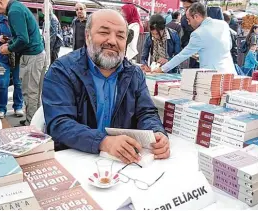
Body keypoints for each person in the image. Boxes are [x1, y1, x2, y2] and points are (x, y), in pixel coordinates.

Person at [42, 9, 170, 164]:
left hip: (122, 164)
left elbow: (146, 112)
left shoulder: (134, 74)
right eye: (104, 33)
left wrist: (157, 132)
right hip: (75, 161)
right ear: (88, 36)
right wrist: (103, 141)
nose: (113, 41)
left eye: (120, 36)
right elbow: (59, 123)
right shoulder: (61, 71)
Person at [0, 0, 45, 126]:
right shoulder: (17, 7)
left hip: (32, 56)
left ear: (0, 3)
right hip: (35, 54)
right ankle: (33, 121)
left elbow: (23, 39)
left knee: (30, 93)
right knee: (34, 92)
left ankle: (32, 125)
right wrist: (10, 44)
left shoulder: (14, 11)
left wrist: (8, 48)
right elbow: (22, 36)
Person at [157, 3, 236, 74]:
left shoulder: (198, 33)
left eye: (189, 20)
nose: (188, 23)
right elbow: (228, 46)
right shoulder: (223, 24)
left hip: (212, 77)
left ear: (196, 16)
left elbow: (182, 56)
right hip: (230, 72)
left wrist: (162, 69)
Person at [0, 14, 24, 119]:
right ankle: (1, 108)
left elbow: (23, 35)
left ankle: (18, 106)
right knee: (2, 84)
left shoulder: (18, 15)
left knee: (18, 83)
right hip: (2, 55)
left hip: (18, 54)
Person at [180, 0, 199, 68]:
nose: (186, 10)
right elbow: (185, 37)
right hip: (193, 56)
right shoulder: (184, 19)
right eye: (184, 8)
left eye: (188, 7)